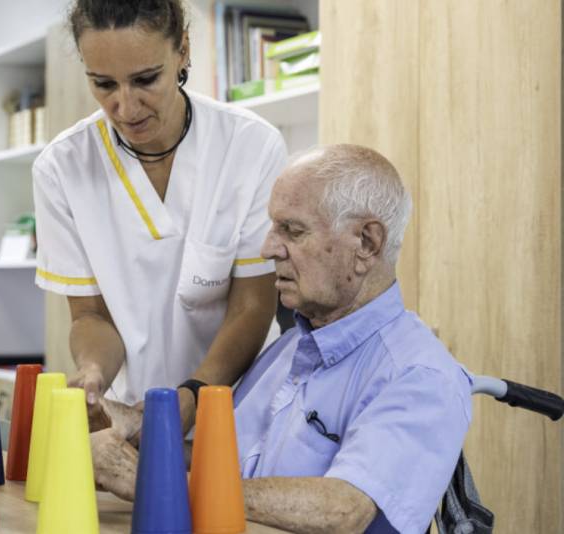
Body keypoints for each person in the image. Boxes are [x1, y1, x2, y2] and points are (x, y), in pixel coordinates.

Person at [89, 144, 473, 534]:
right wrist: (141, 438)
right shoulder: (286, 349)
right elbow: (234, 469)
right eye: (274, 227)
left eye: (292, 230)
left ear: (367, 244)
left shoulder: (421, 376)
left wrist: (154, 483)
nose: (269, 248)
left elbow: (344, 509)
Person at [33, 0, 287, 430]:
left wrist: (193, 394)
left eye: (145, 79)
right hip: (135, 416)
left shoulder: (250, 146)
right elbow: (91, 317)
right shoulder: (62, 168)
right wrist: (93, 371)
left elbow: (252, 307)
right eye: (104, 84)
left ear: (182, 50)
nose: (126, 108)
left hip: (240, 411)